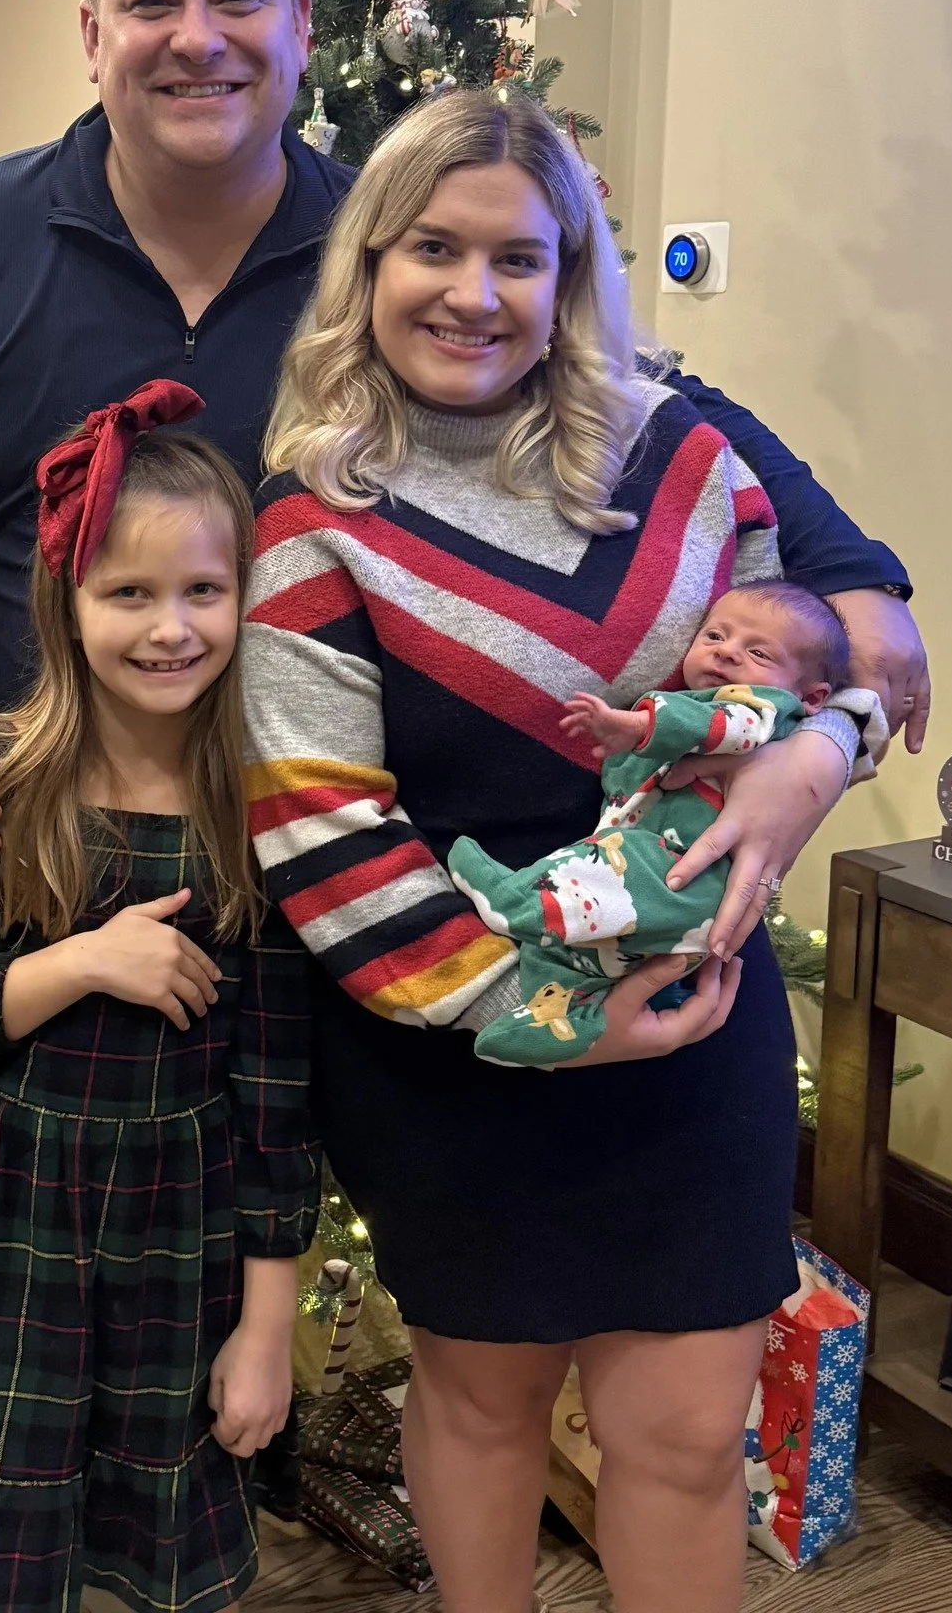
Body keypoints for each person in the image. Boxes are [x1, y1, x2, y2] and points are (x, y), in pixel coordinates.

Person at [0, 0, 930, 1449]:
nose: (198, 36)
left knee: (212, 1306)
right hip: (10, 860)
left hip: (271, 891)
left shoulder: (392, 245)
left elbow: (643, 392)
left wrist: (848, 600)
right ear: (90, 29)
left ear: (300, 25)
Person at [241, 89, 877, 1613]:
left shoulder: (694, 460)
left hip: (696, 1027)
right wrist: (535, 1023)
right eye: (434, 249)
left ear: (570, 274)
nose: (475, 294)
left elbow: (825, 653)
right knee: (479, 1402)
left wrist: (818, 758)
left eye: (520, 258)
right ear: (368, 266)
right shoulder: (315, 513)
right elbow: (317, 825)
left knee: (683, 1435)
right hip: (453, 1038)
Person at [0, 387, 316, 1613]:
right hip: (7, 1228)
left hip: (184, 1240)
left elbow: (279, 1101)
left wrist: (266, 1325)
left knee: (149, 1541)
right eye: (127, 593)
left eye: (202, 592)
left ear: (244, 599)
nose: (168, 628)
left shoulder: (265, 816)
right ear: (67, 605)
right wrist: (80, 961)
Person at [450, 582, 880, 1068]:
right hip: (679, 908)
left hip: (685, 878)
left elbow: (722, 725)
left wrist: (636, 727)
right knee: (586, 956)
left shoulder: (763, 708)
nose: (728, 653)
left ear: (813, 696)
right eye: (714, 635)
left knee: (616, 862)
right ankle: (559, 1023)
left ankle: (515, 900)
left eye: (757, 651)